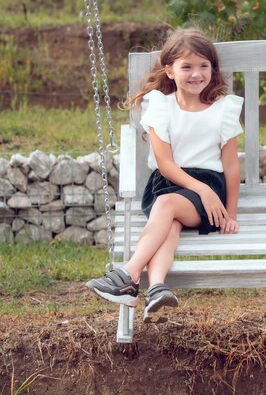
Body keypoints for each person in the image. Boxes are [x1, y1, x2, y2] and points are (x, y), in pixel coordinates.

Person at [86, 28, 243, 323]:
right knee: (169, 223)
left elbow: (232, 166)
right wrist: (200, 190)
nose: (196, 74)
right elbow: (165, 163)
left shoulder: (222, 110)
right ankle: (156, 286)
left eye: (203, 66)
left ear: (212, 69)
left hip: (208, 188)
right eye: (187, 66)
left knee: (168, 206)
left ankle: (128, 274)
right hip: (167, 184)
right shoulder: (160, 105)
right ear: (169, 70)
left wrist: (229, 211)